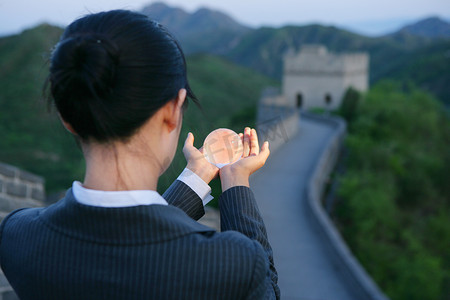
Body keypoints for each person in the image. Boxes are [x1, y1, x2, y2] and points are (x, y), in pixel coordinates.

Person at [0, 10, 280, 300]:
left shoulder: (17, 236)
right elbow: (264, 289)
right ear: (173, 110)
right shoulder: (231, 264)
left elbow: (127, 243)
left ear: (66, 117)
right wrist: (236, 183)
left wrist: (197, 177)